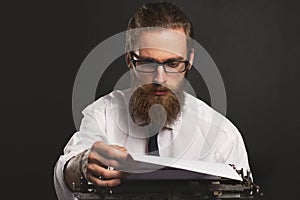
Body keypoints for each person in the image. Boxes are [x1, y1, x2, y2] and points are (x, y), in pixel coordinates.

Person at [54, 2, 252, 200]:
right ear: (129, 59)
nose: (160, 79)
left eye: (173, 63)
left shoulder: (222, 136)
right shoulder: (102, 116)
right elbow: (66, 171)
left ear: (189, 60)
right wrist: (80, 166)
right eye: (148, 62)